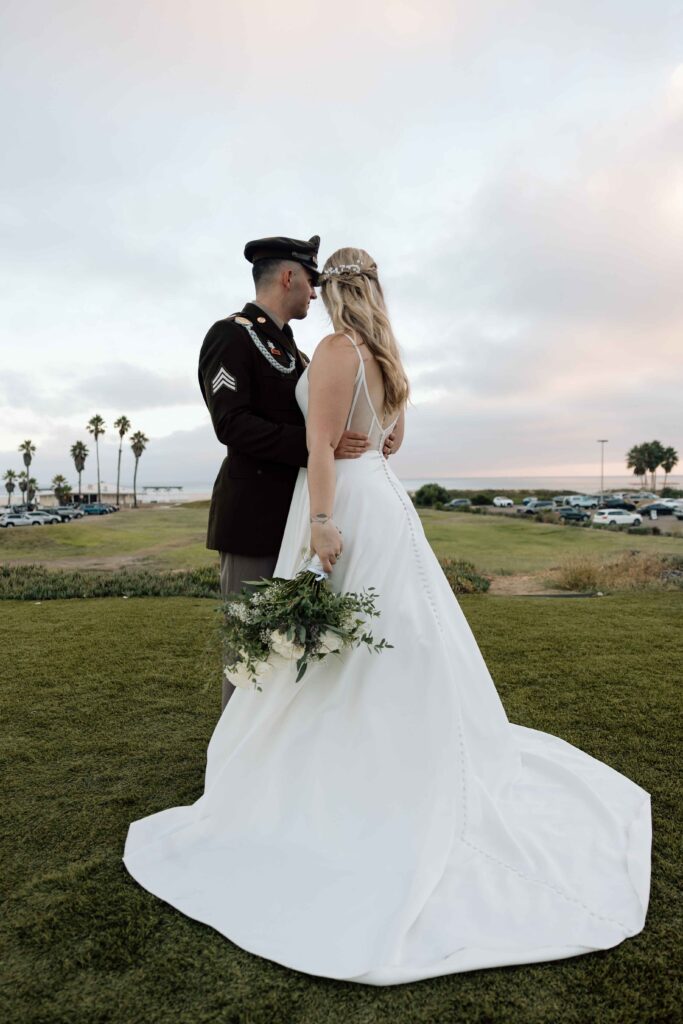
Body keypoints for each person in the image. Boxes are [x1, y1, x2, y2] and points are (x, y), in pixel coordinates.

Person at [125, 247, 651, 986]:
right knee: (379, 645)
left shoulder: (337, 348)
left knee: (335, 645)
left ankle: (316, 779)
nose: (308, 288)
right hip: (382, 501)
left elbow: (318, 442)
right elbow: (387, 438)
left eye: (319, 281)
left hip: (344, 508)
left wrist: (321, 517)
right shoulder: (378, 355)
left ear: (330, 289)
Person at [198, 234, 394, 709]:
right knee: (251, 647)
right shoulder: (231, 335)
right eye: (309, 280)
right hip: (255, 519)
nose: (314, 292)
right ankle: (236, 761)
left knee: (294, 649)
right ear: (288, 276)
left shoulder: (299, 353)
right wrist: (316, 447)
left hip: (300, 516)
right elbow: (232, 423)